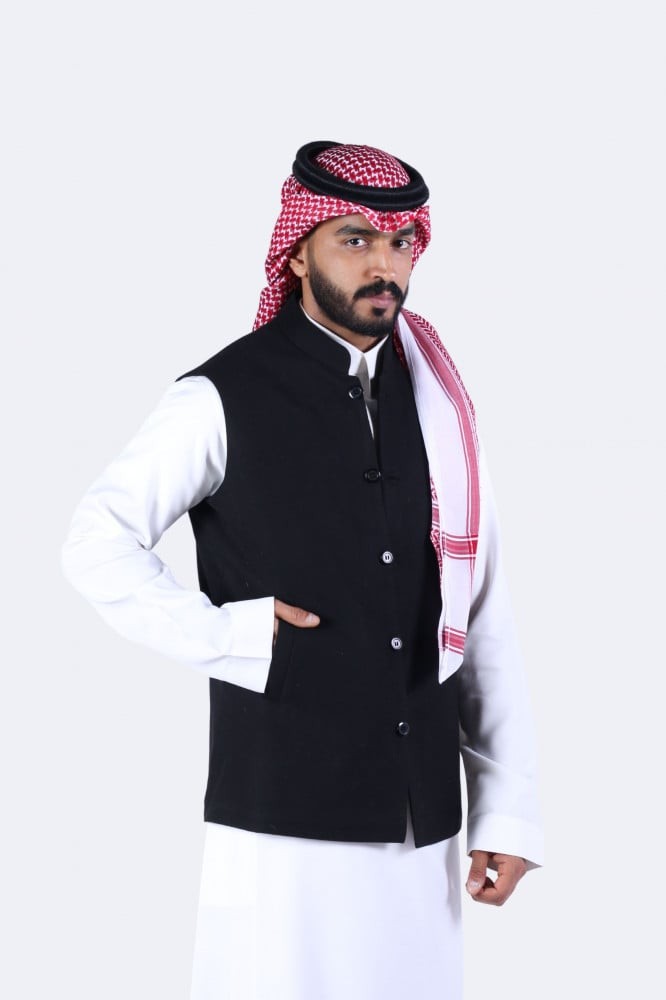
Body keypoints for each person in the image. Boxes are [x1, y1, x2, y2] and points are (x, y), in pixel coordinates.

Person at [62, 140, 543, 1000]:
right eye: (355, 240)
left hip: (423, 830)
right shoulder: (222, 395)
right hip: (278, 828)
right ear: (296, 254)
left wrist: (505, 809)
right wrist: (235, 637)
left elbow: (482, 611)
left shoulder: (439, 403)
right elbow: (96, 541)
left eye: (400, 243)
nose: (384, 266)